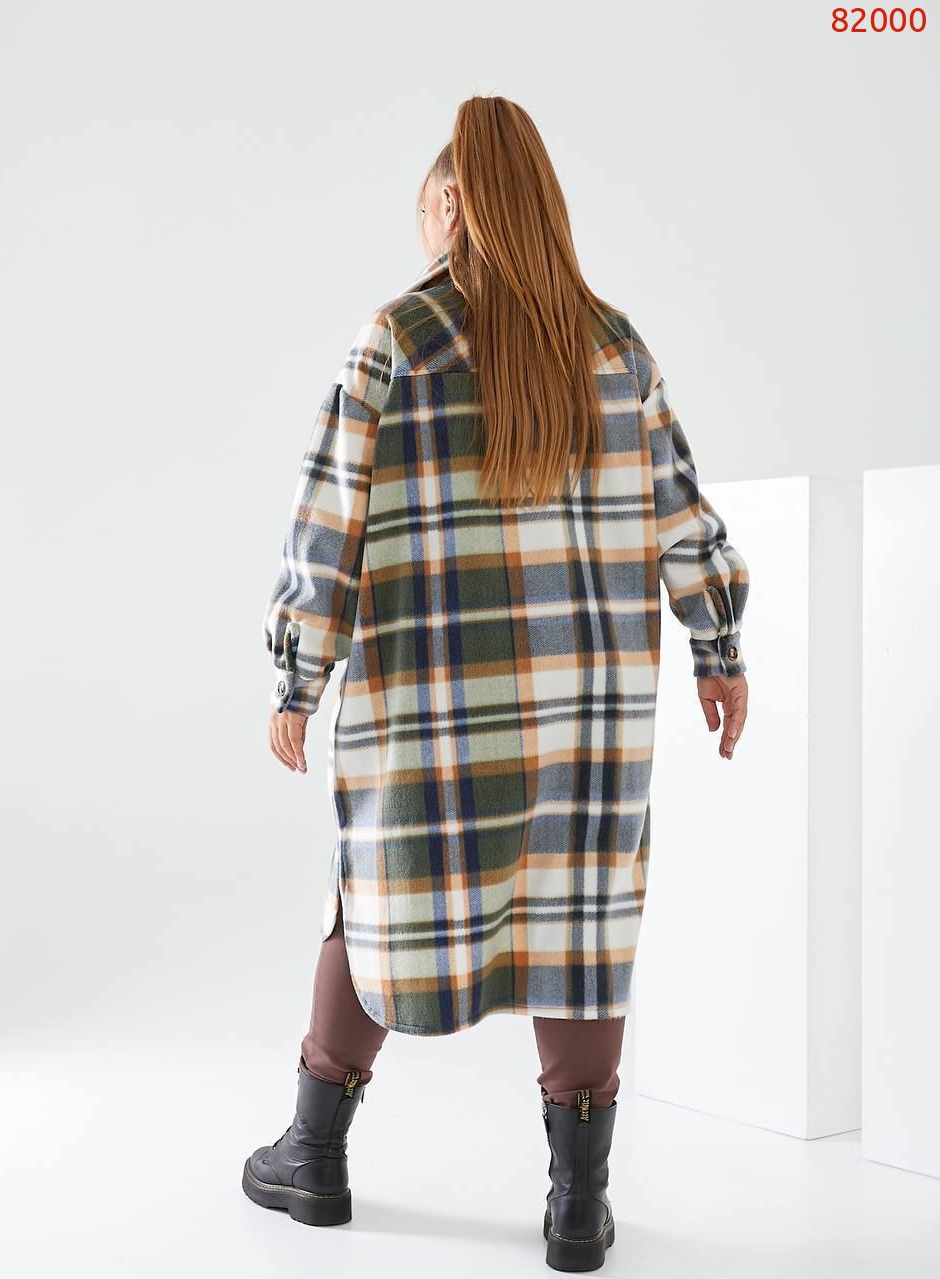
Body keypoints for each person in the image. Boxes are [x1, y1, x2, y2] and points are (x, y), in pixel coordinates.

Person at [242, 94, 749, 1272]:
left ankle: (313, 1157)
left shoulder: (396, 339)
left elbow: (327, 526)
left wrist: (296, 676)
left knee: (371, 898)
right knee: (580, 917)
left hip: (433, 715)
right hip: (588, 720)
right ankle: (577, 1205)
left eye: (425, 205)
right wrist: (717, 649)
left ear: (453, 200)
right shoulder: (615, 346)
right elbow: (684, 519)